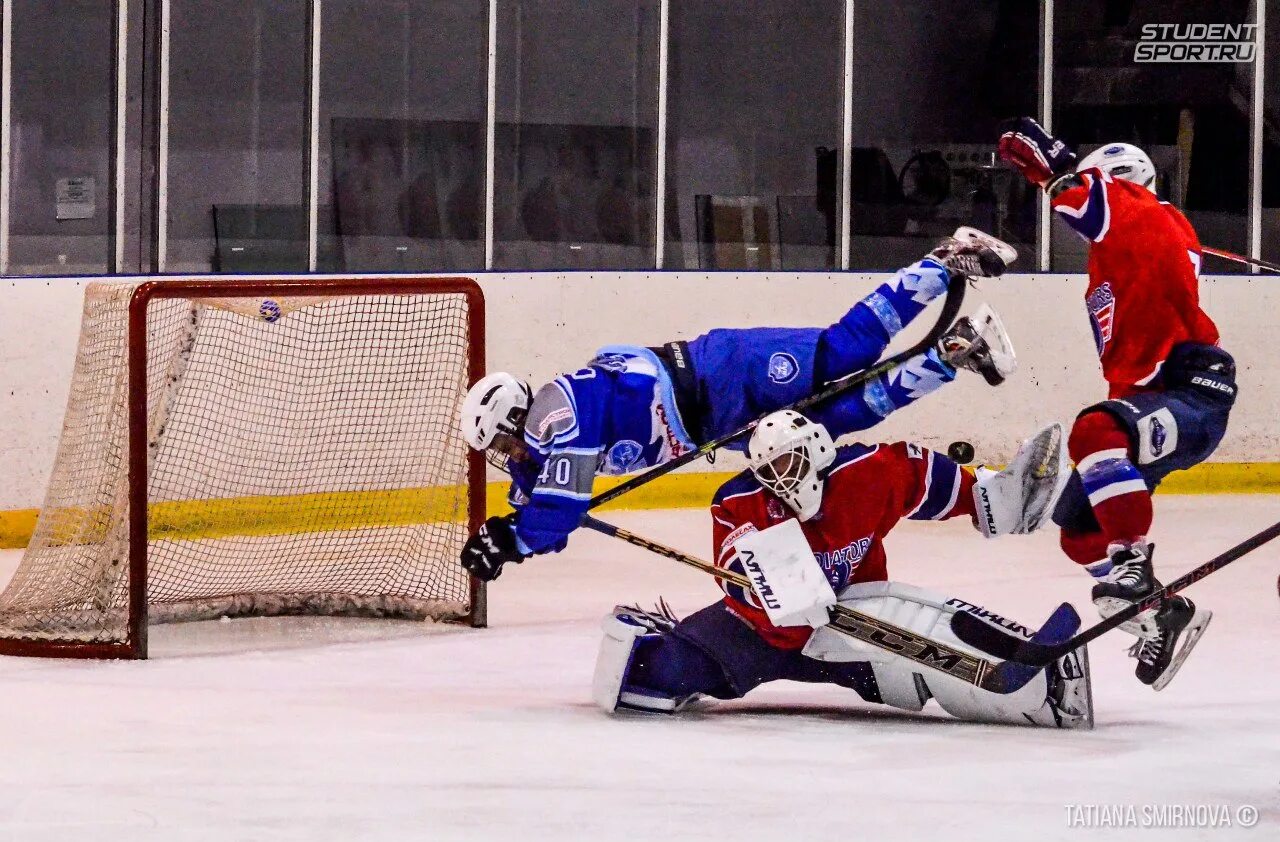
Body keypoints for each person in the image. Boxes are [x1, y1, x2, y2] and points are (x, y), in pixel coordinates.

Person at [458, 233, 1018, 581]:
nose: (507, 455)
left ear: (516, 417)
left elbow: (558, 507)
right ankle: (956, 352)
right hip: (718, 420)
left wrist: (509, 539)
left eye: (502, 443)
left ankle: (945, 260)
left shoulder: (558, 412)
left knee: (844, 350)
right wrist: (513, 528)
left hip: (722, 372)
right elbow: (548, 508)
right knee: (846, 418)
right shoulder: (547, 437)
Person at [590, 410, 1091, 729]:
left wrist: (990, 498)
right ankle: (665, 643)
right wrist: (775, 588)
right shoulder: (739, 501)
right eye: (769, 473)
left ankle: (1042, 688)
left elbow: (930, 482)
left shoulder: (869, 471)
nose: (781, 483)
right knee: (641, 677)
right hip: (757, 635)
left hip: (850, 619)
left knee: (916, 651)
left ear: (815, 454)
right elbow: (734, 572)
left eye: (789, 466)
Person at [997, 117, 1230, 689]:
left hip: (1192, 388)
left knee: (1095, 433)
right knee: (1079, 531)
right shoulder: (1131, 246)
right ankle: (1162, 613)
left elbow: (1084, 198)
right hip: (1153, 397)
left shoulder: (1143, 214)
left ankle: (1131, 564)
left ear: (1122, 183)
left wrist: (1056, 171)